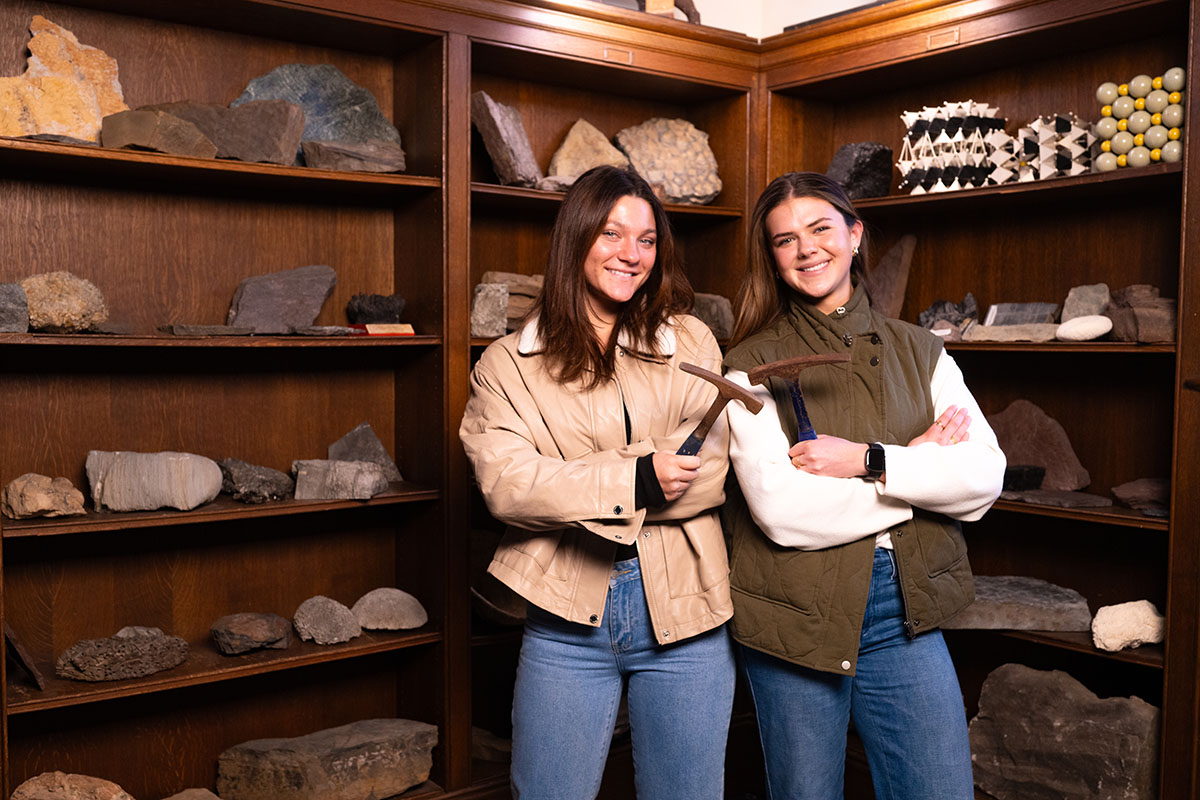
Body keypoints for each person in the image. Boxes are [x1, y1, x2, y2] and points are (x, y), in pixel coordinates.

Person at [721, 171, 1005, 800]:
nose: (807, 249)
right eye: (784, 240)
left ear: (854, 235)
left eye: (821, 229)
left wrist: (871, 460)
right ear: (771, 259)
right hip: (795, 612)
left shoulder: (921, 350)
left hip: (903, 608)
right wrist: (918, 477)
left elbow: (984, 479)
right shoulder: (749, 363)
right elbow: (784, 513)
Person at [459, 165, 736, 800]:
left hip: (688, 610)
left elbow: (711, 473)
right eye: (612, 233)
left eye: (646, 240)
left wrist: (569, 486)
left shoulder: (689, 339)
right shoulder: (507, 365)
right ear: (576, 236)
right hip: (564, 615)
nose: (631, 254)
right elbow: (508, 487)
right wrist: (640, 476)